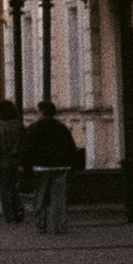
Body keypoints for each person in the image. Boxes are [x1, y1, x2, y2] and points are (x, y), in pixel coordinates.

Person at [21, 100, 79, 235]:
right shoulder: (61, 128)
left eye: (38, 111)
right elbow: (71, 148)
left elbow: (27, 149)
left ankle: (41, 224)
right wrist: (72, 165)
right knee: (59, 197)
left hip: (41, 167)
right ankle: (58, 225)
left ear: (41, 112)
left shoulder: (34, 128)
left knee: (40, 196)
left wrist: (25, 167)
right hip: (61, 166)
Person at [0, 99, 28, 225]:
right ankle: (19, 209)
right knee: (15, 186)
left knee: (5, 188)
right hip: (17, 159)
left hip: (4, 160)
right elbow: (24, 143)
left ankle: (10, 215)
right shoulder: (18, 125)